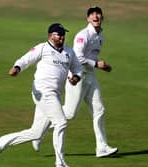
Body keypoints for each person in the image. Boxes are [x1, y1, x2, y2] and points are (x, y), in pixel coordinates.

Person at [0, 23, 83, 167]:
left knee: (36, 133)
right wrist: (17, 68)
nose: (63, 37)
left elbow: (78, 68)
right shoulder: (43, 48)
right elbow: (26, 59)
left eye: (63, 34)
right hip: (43, 92)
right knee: (61, 122)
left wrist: (76, 77)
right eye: (59, 34)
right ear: (51, 35)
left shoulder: (68, 52)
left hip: (55, 95)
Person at [32, 6, 118, 158]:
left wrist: (101, 65)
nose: (96, 16)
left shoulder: (100, 36)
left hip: (90, 76)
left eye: (98, 14)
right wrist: (97, 64)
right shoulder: (83, 35)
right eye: (92, 14)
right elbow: (77, 57)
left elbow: (89, 57)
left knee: (99, 110)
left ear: (102, 17)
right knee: (70, 114)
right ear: (88, 19)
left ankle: (102, 147)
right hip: (77, 77)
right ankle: (39, 131)